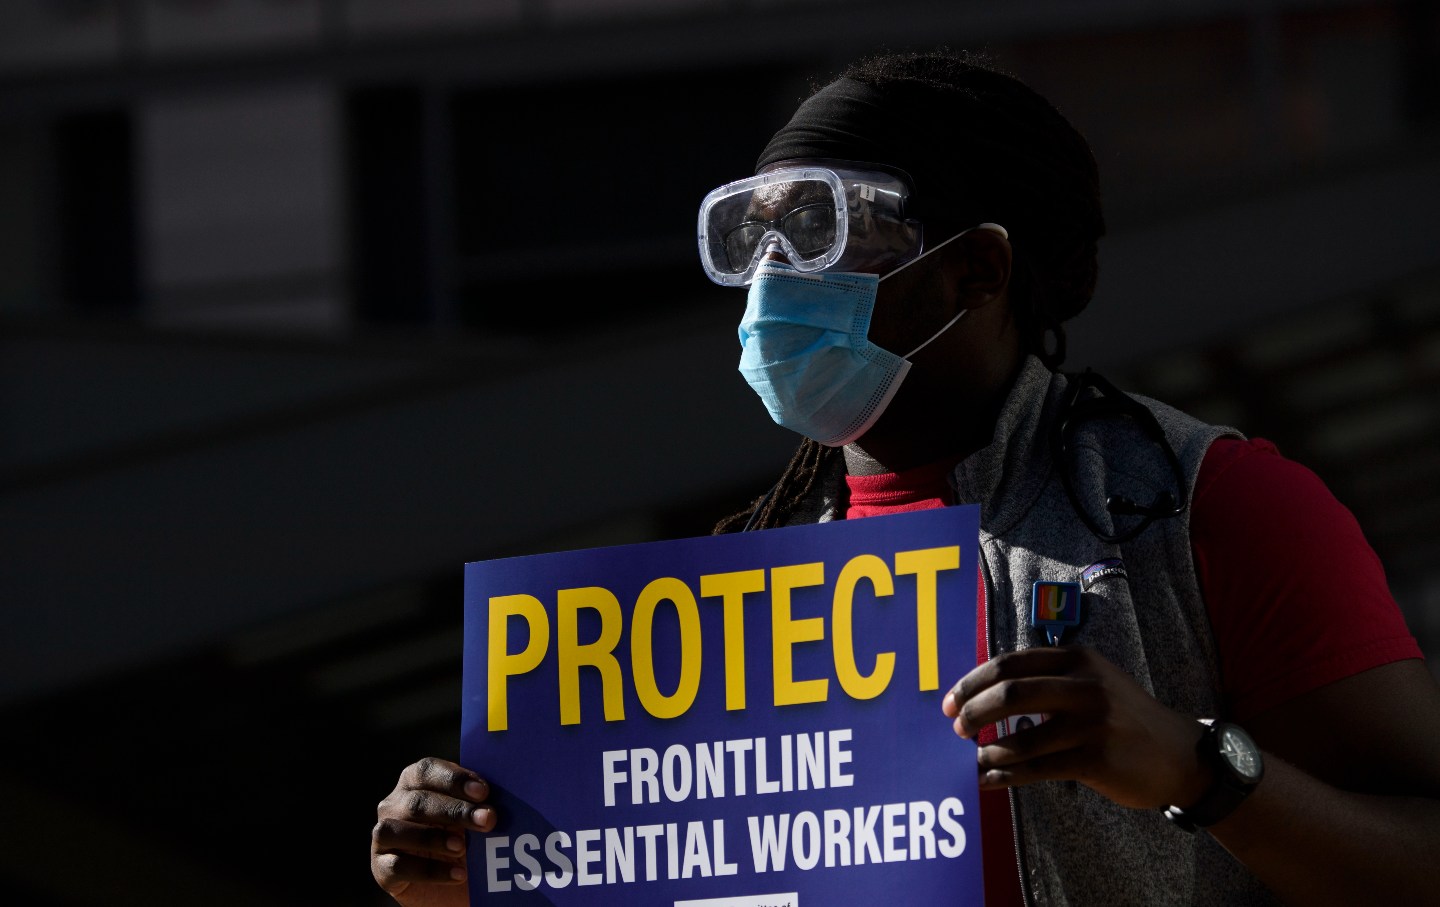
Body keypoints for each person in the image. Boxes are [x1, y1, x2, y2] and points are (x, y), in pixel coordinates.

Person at [371, 49, 1440, 906]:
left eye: (829, 232)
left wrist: (1198, 770)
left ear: (977, 269)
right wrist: (500, 867)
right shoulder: (730, 589)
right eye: (756, 239)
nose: (777, 282)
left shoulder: (1203, 505)